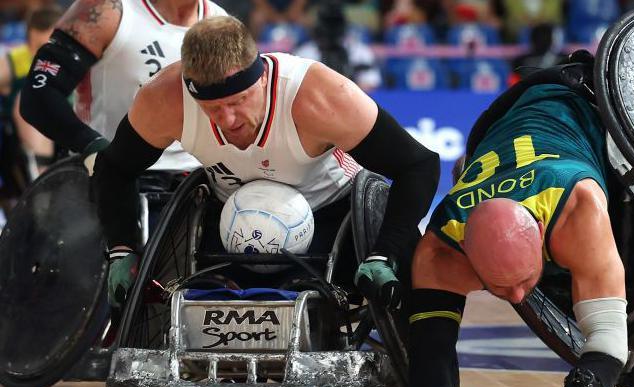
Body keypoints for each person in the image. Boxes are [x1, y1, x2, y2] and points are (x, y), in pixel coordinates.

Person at [90, 16, 439, 317]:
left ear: (260, 79)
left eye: (237, 101)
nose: (226, 119)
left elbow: (418, 165)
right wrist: (122, 247)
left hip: (332, 217)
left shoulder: (318, 95)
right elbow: (113, 168)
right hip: (229, 221)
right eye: (211, 108)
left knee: (414, 271)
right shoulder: (165, 98)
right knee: (187, 295)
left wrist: (384, 252)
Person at [407, 58, 626, 387]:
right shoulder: (441, 247)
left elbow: (611, 343)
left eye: (522, 281)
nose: (518, 297)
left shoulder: (579, 208)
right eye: (499, 288)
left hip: (590, 108)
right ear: (466, 256)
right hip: (504, 127)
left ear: (541, 229)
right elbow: (429, 352)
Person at [20, 0, 228, 170]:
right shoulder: (107, 10)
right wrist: (93, 147)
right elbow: (38, 95)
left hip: (198, 179)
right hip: (112, 172)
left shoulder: (223, 25)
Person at [0, 5, 61, 208]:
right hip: (21, 149)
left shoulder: (80, 62)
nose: (43, 57)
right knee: (30, 98)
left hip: (72, 137)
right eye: (37, 48)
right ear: (27, 43)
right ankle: (44, 190)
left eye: (49, 48)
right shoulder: (12, 62)